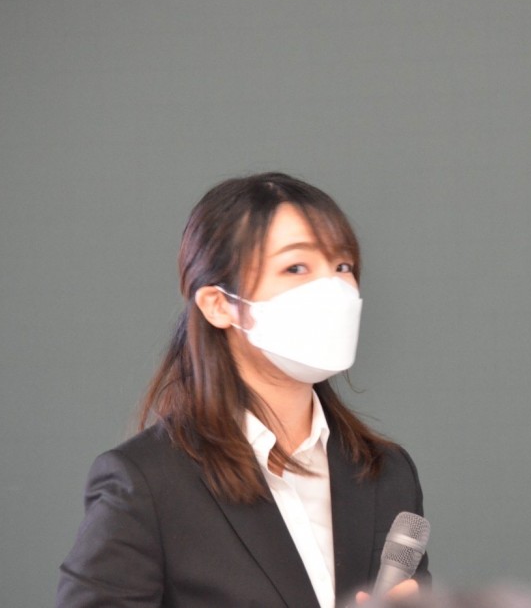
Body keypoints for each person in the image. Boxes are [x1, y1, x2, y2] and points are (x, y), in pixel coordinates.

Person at [56, 172, 429, 608]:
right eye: (296, 268)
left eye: (342, 266)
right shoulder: (149, 483)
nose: (332, 288)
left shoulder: (385, 472)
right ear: (219, 305)